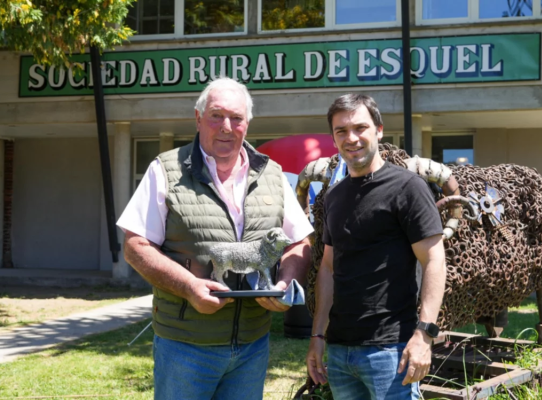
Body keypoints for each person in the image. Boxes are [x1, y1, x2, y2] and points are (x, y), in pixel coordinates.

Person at [117, 77, 313, 400]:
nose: (226, 126)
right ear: (198, 119)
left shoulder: (273, 175)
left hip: (252, 347)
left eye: (236, 118)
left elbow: (299, 242)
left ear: (247, 124)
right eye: (216, 116)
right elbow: (135, 246)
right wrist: (189, 287)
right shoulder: (165, 170)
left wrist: (284, 284)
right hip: (185, 346)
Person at [305, 94, 446, 400]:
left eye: (360, 128)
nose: (351, 138)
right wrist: (317, 335)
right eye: (341, 131)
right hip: (340, 351)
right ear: (333, 138)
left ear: (379, 130)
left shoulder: (408, 188)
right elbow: (328, 267)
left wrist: (424, 334)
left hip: (391, 350)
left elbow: (434, 259)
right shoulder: (333, 197)